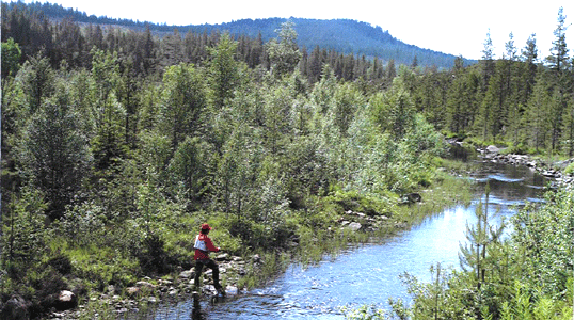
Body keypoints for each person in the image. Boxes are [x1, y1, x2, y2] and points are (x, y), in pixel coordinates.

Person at [193, 223, 224, 295]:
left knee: (198, 272)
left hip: (197, 257)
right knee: (215, 267)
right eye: (208, 230)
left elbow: (195, 247)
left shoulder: (197, 236)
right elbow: (212, 249)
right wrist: (218, 249)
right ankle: (216, 285)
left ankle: (195, 287)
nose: (209, 231)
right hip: (204, 258)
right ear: (206, 231)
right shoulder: (206, 239)